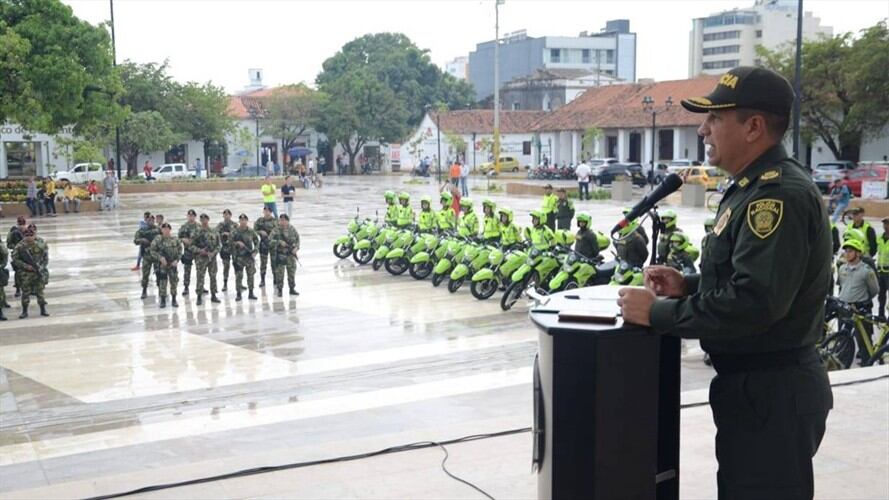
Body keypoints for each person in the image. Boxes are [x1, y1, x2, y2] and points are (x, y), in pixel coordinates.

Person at [618, 66, 833, 499]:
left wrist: (658, 313)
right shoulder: (749, 188)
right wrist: (689, 287)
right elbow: (749, 278)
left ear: (754, 127)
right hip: (754, 388)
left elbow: (755, 302)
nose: (702, 130)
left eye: (714, 118)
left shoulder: (777, 196)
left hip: (773, 392)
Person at [837, 238, 878, 363]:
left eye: (850, 251)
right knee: (843, 337)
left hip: (860, 308)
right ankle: (842, 362)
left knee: (863, 339)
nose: (847, 253)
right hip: (844, 307)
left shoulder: (866, 271)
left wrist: (861, 301)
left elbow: (874, 290)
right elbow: (842, 285)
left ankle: (867, 363)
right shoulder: (842, 268)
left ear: (858, 253)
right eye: (846, 251)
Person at [12, 227, 49, 318]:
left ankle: (43, 309)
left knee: (40, 292)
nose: (29, 237)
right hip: (26, 274)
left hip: (38, 272)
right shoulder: (20, 246)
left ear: (34, 235)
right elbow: (15, 259)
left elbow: (45, 258)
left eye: (31, 235)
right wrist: (26, 266)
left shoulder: (41, 245)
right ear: (24, 236)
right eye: (26, 235)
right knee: (25, 293)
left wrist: (41, 267)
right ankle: (24, 311)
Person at [150, 222, 182, 308]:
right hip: (163, 265)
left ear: (170, 230)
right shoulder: (158, 239)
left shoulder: (175, 239)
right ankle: (163, 300)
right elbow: (152, 250)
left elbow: (180, 250)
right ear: (161, 230)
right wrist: (160, 258)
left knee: (174, 282)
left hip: (173, 265)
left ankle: (174, 299)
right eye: (164, 229)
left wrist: (177, 260)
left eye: (167, 229)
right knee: (162, 282)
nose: (166, 230)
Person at [192, 214, 221, 305]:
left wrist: (213, 253)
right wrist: (200, 251)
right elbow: (191, 246)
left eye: (205, 219)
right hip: (201, 258)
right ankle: (199, 297)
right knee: (200, 277)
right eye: (202, 219)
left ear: (208, 220)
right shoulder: (196, 232)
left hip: (212, 258)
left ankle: (213, 295)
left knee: (213, 277)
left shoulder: (214, 231)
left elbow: (219, 245)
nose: (203, 221)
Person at [270, 213, 300, 297]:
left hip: (290, 255)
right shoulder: (276, 230)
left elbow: (298, 239)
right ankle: (280, 290)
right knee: (280, 274)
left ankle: (292, 289)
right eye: (280, 220)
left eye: (284, 220)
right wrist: (279, 242)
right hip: (281, 256)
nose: (282, 222)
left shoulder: (292, 229)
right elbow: (269, 240)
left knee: (291, 273)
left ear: (287, 221)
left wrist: (296, 248)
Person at [232, 214, 259, 301]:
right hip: (239, 258)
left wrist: (255, 251)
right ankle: (238, 294)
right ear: (239, 221)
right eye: (241, 220)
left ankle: (251, 293)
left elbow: (257, 242)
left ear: (247, 221)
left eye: (244, 220)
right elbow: (229, 243)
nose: (243, 222)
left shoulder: (251, 231)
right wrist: (237, 243)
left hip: (249, 257)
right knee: (239, 276)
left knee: (250, 275)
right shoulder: (235, 231)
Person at [134, 214, 160, 299]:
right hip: (146, 256)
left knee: (159, 273)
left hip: (156, 256)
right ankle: (144, 290)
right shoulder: (142, 230)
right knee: (145, 274)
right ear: (146, 221)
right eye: (149, 220)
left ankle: (161, 290)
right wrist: (142, 240)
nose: (151, 221)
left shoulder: (158, 229)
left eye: (152, 220)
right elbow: (135, 240)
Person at [254, 206, 278, 288]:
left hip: (273, 245)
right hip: (263, 244)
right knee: (263, 263)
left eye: (268, 211)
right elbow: (254, 231)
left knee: (274, 263)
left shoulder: (275, 221)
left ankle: (275, 279)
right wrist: (260, 231)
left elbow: (278, 231)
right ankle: (262, 280)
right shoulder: (260, 221)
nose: (266, 212)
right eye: (265, 211)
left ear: (271, 212)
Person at [178, 209, 200, 296]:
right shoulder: (184, 227)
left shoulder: (199, 226)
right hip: (188, 251)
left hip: (197, 252)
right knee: (187, 270)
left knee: (200, 270)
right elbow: (178, 238)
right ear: (187, 216)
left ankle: (200, 286)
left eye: (192, 216)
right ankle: (186, 287)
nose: (191, 217)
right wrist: (183, 239)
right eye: (189, 215)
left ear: (195, 216)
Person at [216, 209, 238, 292]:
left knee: (237, 265)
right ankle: (225, 283)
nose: (226, 216)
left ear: (230, 215)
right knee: (226, 266)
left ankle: (238, 283)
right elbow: (215, 233)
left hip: (234, 248)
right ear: (223, 216)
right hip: (225, 248)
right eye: (225, 214)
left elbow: (238, 233)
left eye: (228, 214)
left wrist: (229, 234)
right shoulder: (220, 225)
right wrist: (221, 235)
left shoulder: (235, 225)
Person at [7, 217, 27, 299]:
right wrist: (16, 247)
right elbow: (9, 245)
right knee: (18, 272)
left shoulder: (29, 231)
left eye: (23, 224)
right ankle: (18, 289)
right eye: (20, 224)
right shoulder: (13, 232)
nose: (21, 226)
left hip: (27, 254)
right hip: (17, 254)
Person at [876, 217, 889, 319]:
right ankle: (881, 315)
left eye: (888, 224)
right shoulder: (880, 238)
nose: (886, 226)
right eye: (885, 224)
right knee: (881, 295)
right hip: (880, 272)